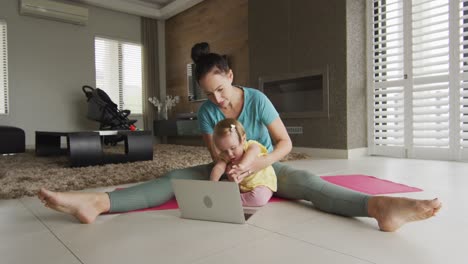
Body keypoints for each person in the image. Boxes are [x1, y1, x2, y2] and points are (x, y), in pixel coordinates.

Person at [38, 42, 442, 232]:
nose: (215, 99)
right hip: (228, 170)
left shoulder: (258, 100)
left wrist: (257, 162)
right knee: (169, 183)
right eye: (208, 93)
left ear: (230, 76)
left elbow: (285, 144)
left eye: (221, 89)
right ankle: (96, 203)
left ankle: (381, 207)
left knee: (312, 185)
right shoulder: (208, 111)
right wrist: (226, 168)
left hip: (266, 168)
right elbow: (214, 153)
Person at [210, 118, 276, 207]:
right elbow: (218, 168)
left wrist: (242, 165)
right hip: (239, 187)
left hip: (261, 184)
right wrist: (212, 184)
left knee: (259, 198)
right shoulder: (226, 155)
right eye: (224, 150)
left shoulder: (251, 146)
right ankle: (230, 195)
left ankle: (233, 200)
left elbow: (253, 152)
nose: (229, 154)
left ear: (243, 139)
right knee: (223, 182)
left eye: (233, 148)